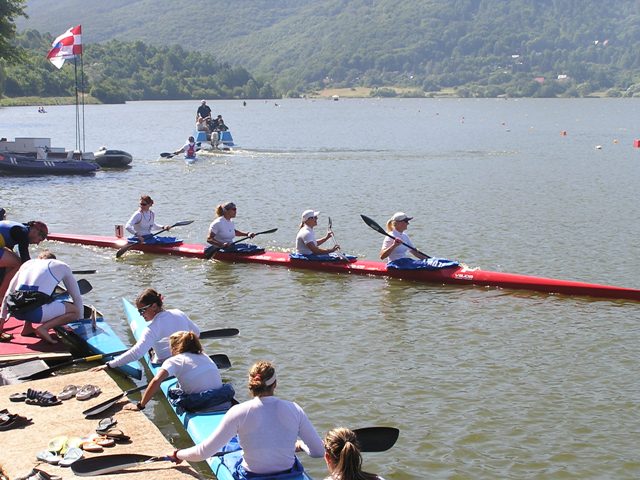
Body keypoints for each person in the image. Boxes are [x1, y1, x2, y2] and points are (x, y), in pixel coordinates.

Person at [167, 361, 324, 478]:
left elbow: (203, 453)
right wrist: (301, 445)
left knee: (232, 450)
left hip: (252, 475)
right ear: (275, 384)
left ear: (251, 385)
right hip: (288, 474)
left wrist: (178, 454)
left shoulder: (238, 412)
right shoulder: (294, 409)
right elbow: (318, 452)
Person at [125, 330, 234, 413]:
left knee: (174, 394)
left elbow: (156, 381)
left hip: (202, 406)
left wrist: (140, 405)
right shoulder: (204, 356)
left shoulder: (174, 360)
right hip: (223, 400)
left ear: (175, 347)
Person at [92, 288, 200, 371]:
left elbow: (136, 353)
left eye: (142, 311)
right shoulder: (179, 313)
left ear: (154, 306)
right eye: (139, 311)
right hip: (191, 359)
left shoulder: (152, 328)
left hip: (168, 365)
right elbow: (197, 333)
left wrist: (110, 364)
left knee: (150, 351)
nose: (140, 315)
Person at [0, 250, 83, 344]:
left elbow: (8, 295)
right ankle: (44, 328)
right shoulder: (62, 266)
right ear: (53, 260)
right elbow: (77, 297)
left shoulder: (27, 264)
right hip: (36, 314)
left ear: (39, 259)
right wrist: (80, 321)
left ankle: (27, 328)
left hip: (15, 311)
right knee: (75, 311)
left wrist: (1, 323)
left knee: (29, 295)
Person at [0, 220, 48, 317]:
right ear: (35, 230)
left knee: (13, 262)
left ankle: (5, 290)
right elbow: (26, 261)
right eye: (40, 238)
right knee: (19, 264)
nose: (37, 243)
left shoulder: (17, 228)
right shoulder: (22, 232)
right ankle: (1, 296)